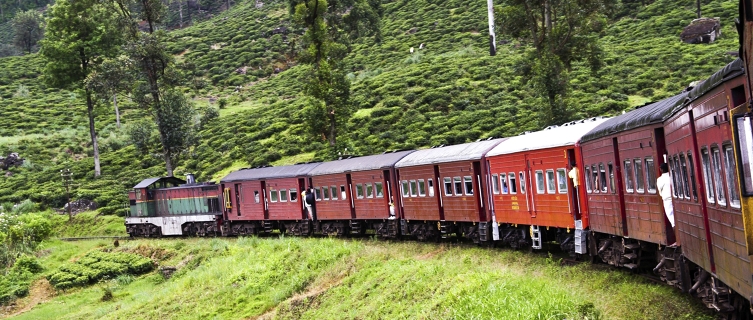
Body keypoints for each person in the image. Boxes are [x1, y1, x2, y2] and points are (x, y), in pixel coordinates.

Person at [657, 163, 676, 246]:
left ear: (661, 169)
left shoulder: (660, 179)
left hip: (667, 200)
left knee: (672, 220)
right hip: (675, 199)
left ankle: (677, 240)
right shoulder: (672, 176)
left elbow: (660, 192)